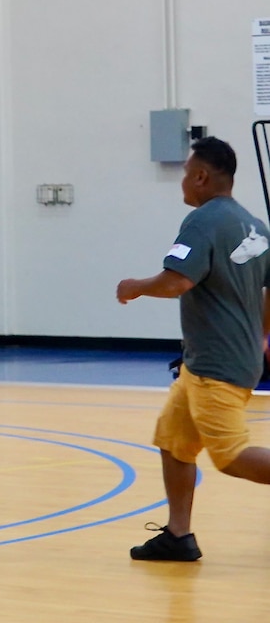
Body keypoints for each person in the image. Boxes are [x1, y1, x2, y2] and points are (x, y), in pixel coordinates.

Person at [116, 135, 270, 563]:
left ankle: (179, 534)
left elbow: (177, 280)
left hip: (215, 362)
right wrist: (260, 334)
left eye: (185, 173)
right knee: (173, 440)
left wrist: (135, 288)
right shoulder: (254, 225)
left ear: (201, 176)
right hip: (211, 360)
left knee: (232, 455)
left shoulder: (203, 222)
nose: (183, 180)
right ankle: (178, 536)